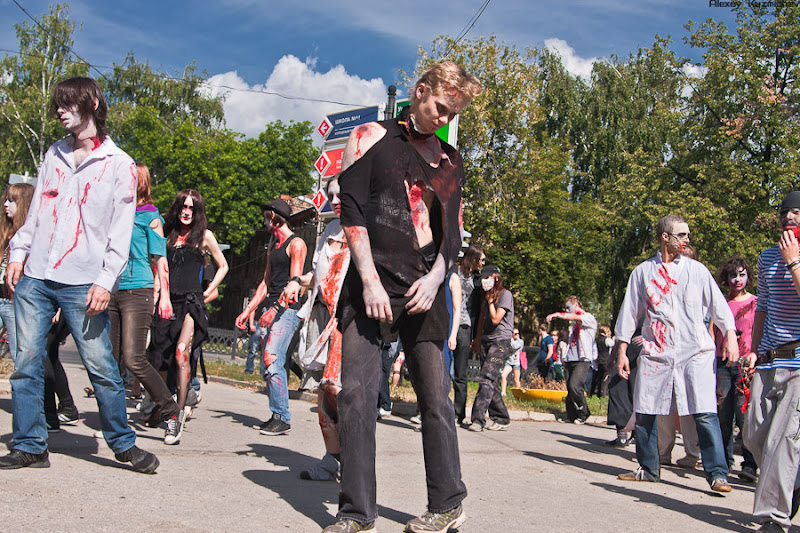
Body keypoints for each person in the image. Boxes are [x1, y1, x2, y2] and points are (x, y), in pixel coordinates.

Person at [324, 61, 481, 533]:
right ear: (419, 91)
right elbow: (348, 203)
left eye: (451, 113)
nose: (441, 118)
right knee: (355, 395)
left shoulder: (450, 160)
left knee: (435, 398)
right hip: (371, 285)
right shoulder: (372, 136)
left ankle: (448, 504)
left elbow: (449, 235)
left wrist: (436, 280)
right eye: (438, 106)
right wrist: (368, 279)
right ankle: (356, 512)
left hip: (422, 289)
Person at [0, 77, 158, 472]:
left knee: (101, 365)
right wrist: (17, 252)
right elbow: (37, 212)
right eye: (58, 103)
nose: (59, 110)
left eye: (67, 103)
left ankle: (123, 444)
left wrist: (106, 280)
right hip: (36, 275)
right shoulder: (54, 153)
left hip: (83, 283)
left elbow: (120, 232)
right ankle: (31, 445)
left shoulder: (118, 164)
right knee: (26, 363)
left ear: (92, 104)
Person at [615, 214, 738, 493]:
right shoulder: (643, 272)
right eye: (681, 235)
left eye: (687, 235)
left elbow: (720, 308)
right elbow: (629, 312)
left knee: (704, 412)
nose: (686, 240)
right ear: (664, 237)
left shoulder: (697, 271)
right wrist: (622, 350)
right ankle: (648, 468)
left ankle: (718, 474)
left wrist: (730, 337)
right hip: (656, 350)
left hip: (695, 351)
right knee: (646, 410)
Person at [108, 162, 183, 443]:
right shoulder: (115, 213)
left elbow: (159, 257)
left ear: (138, 182)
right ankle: (114, 421)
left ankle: (171, 410)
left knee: (134, 358)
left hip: (138, 290)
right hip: (112, 289)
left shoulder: (150, 216)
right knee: (110, 359)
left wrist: (164, 295)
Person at [149, 189, 228, 445]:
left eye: (192, 208)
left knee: (182, 353)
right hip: (168, 302)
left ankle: (177, 417)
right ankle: (163, 404)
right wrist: (156, 294)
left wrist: (207, 291)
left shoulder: (204, 236)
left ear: (198, 212)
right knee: (159, 360)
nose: (186, 212)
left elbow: (223, 265)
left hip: (192, 304)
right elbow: (158, 266)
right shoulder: (167, 234)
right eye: (183, 206)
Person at [741, 191, 800, 533]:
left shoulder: (793, 256)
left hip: (798, 362)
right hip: (768, 359)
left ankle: (773, 518)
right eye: (784, 213)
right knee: (753, 437)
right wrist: (754, 348)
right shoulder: (766, 256)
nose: (789, 218)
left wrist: (794, 260)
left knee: (783, 440)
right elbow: (762, 305)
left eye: (796, 213)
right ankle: (791, 483)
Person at [235, 198, 306, 437]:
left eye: (266, 216)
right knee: (269, 365)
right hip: (270, 308)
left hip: (287, 310)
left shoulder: (296, 244)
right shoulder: (274, 246)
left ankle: (283, 417)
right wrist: (248, 311)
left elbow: (294, 284)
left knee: (272, 358)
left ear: (274, 217)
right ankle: (277, 414)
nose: (264, 221)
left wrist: (275, 308)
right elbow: (265, 282)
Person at [295, 176, 349, 481]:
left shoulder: (364, 229)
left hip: (345, 320)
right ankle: (333, 459)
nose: (335, 200)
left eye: (340, 194)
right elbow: (316, 275)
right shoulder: (330, 229)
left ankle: (352, 457)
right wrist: (295, 282)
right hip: (320, 315)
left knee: (334, 386)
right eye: (331, 195)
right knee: (322, 391)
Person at [714, 256, 758, 482]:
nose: (737, 279)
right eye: (733, 275)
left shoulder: (756, 303)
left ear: (748, 277)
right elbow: (713, 332)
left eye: (742, 274)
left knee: (745, 416)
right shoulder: (720, 303)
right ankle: (723, 461)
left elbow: (760, 332)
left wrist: (755, 356)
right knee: (723, 415)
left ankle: (750, 464)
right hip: (722, 363)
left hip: (744, 365)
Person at [468, 265, 513, 430]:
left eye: (488, 277)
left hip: (501, 341)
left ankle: (477, 420)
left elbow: (495, 319)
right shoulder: (486, 296)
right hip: (487, 340)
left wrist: (491, 302)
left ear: (496, 277)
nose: (484, 281)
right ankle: (501, 417)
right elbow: (482, 318)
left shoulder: (505, 295)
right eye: (483, 278)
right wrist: (477, 339)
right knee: (491, 380)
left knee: (486, 378)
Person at [546, 296, 597, 424]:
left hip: (582, 358)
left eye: (569, 307)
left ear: (576, 305)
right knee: (569, 387)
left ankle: (584, 413)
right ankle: (571, 415)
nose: (568, 310)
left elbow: (575, 317)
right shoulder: (574, 326)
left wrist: (557, 314)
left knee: (575, 385)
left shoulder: (588, 318)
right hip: (570, 358)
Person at [0, 183, 34, 364]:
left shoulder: (33, 237)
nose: (6, 204)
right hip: (1, 298)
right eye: (5, 199)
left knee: (19, 356)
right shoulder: (3, 232)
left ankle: (24, 393)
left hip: (16, 303)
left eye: (11, 201)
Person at [452, 245, 484, 426]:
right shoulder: (453, 272)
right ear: (472, 258)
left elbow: (481, 311)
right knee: (437, 369)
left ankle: (458, 414)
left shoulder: (478, 280)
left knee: (460, 373)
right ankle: (424, 410)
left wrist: (477, 336)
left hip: (465, 327)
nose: (483, 263)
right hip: (448, 325)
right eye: (481, 260)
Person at [590, 325, 613, 397]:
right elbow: (614, 346)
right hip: (606, 360)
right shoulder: (607, 340)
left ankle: (593, 393)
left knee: (598, 378)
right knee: (606, 377)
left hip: (598, 361)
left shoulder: (595, 339)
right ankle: (603, 393)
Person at [501, 328, 523, 395]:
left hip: (516, 362)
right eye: (514, 333)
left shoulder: (521, 342)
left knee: (516, 379)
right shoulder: (509, 340)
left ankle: (519, 394)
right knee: (503, 375)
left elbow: (514, 346)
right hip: (509, 361)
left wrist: (510, 340)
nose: (516, 335)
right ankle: (503, 392)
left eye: (517, 333)